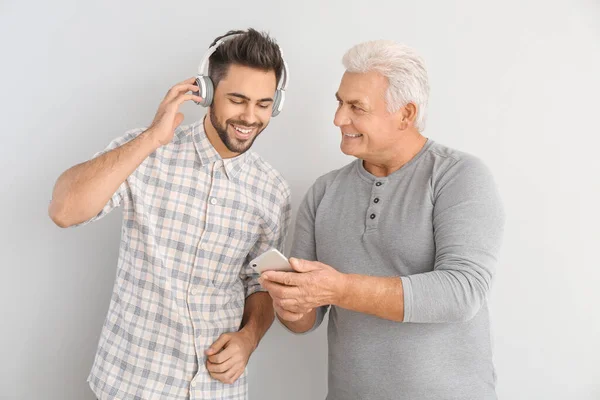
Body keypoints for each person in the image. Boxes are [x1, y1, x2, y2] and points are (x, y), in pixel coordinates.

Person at [48, 28, 291, 400]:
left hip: (217, 390)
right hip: (133, 384)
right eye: (237, 99)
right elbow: (64, 210)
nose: (249, 116)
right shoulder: (146, 153)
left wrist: (249, 338)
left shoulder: (273, 191)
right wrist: (150, 139)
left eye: (262, 104)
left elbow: (260, 284)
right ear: (206, 92)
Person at [259, 40, 505, 400]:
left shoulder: (459, 176)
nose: (339, 118)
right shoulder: (324, 192)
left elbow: (461, 292)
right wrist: (292, 305)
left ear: (406, 115)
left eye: (356, 107)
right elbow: (307, 320)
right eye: (340, 102)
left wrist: (340, 288)